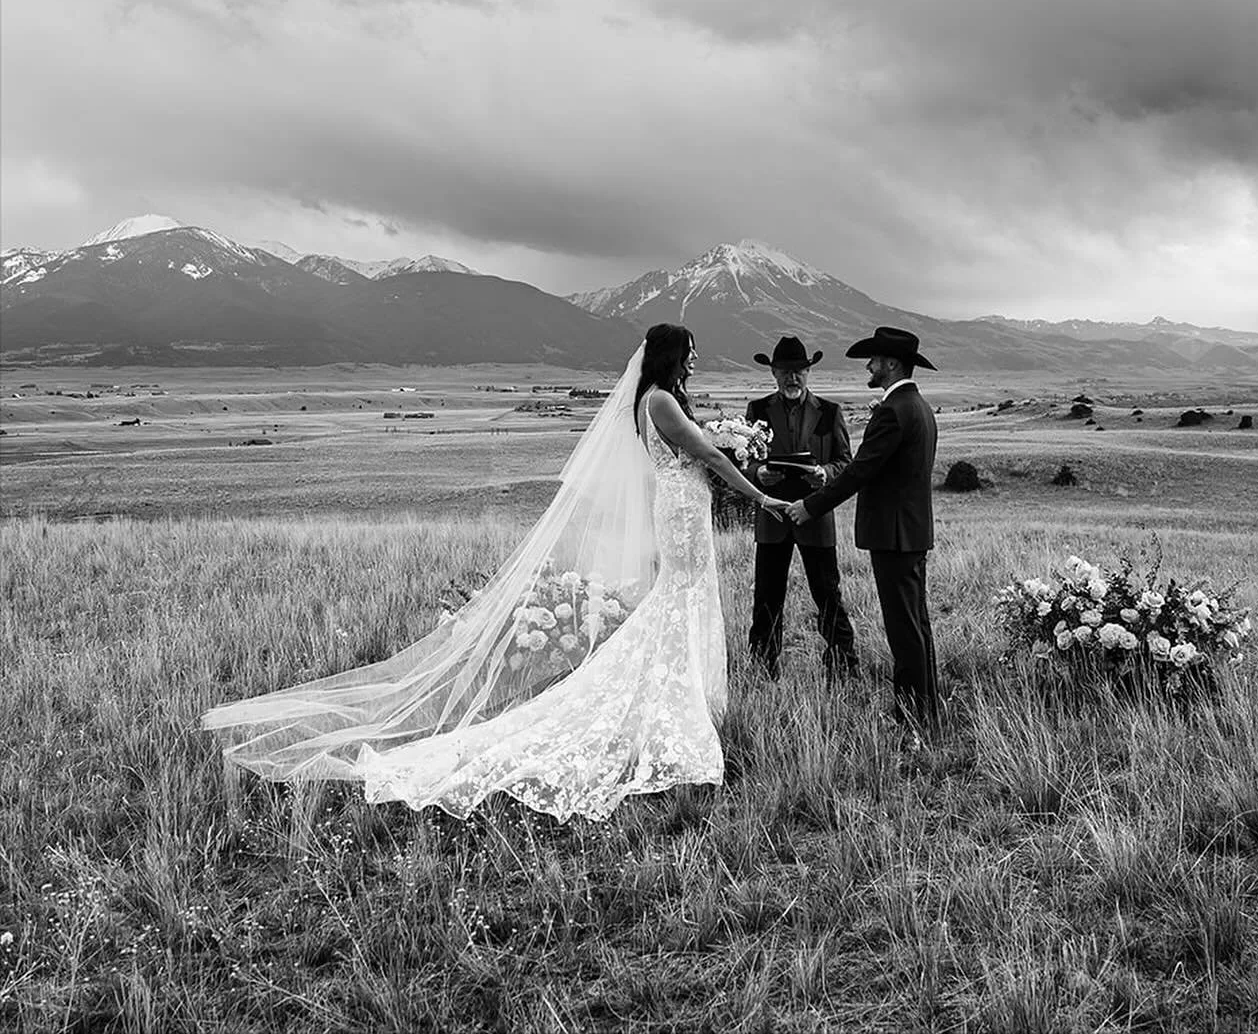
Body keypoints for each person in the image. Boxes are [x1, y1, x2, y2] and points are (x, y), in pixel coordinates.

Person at [203, 323, 787, 822]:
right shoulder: (659, 400)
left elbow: (701, 449)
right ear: (670, 354)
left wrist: (730, 447)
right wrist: (757, 492)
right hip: (682, 508)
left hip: (685, 506)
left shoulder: (657, 399)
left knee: (684, 597)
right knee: (679, 597)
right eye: (690, 350)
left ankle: (681, 702)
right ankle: (672, 710)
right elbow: (706, 455)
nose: (695, 358)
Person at [786, 326, 940, 735]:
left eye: (873, 360)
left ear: (891, 364)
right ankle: (926, 711)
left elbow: (859, 471)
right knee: (917, 625)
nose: (868, 366)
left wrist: (810, 506)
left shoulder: (893, 411)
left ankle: (911, 717)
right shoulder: (919, 406)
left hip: (893, 535)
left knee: (903, 629)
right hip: (911, 533)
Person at [744, 336, 858, 681]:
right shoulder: (757, 410)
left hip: (816, 517)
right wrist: (758, 473)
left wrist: (825, 474)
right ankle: (762, 670)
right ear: (773, 373)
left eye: (799, 371)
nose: (792, 378)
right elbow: (744, 461)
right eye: (785, 371)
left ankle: (843, 668)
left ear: (809, 372)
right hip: (773, 518)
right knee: (767, 598)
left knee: (828, 595)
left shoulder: (830, 412)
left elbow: (845, 462)